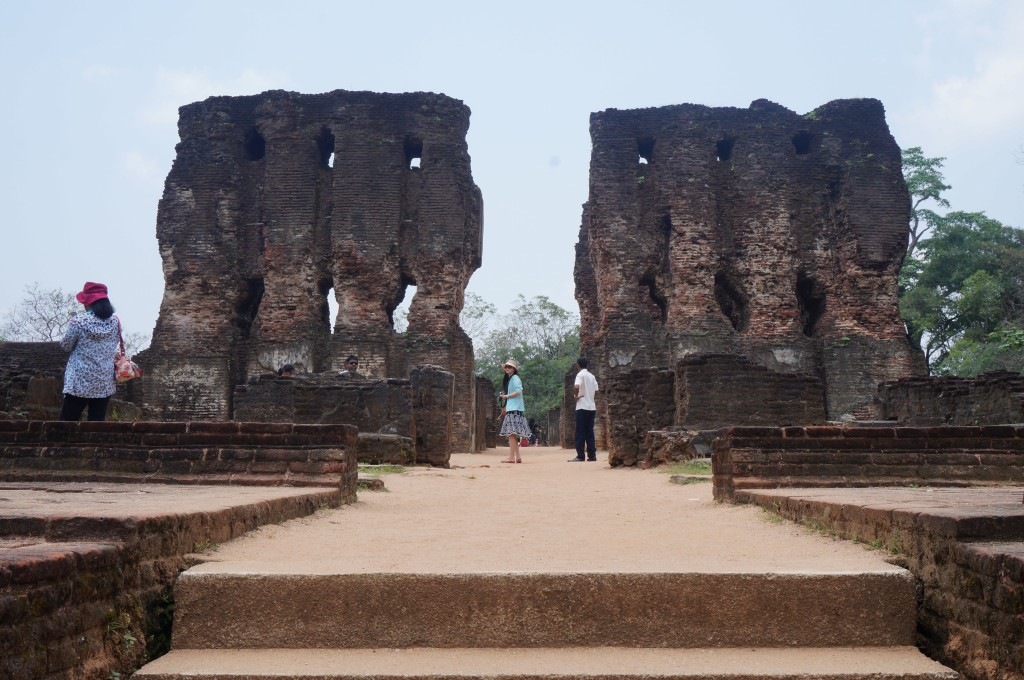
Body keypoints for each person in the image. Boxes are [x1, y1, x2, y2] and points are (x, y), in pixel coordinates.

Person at [59, 282, 121, 422]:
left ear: (88, 302)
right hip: (104, 380)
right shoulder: (115, 322)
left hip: (79, 380)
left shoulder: (78, 321)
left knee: (67, 422)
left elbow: (66, 345)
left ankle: (63, 444)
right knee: (97, 424)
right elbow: (114, 344)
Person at [498, 358, 531, 463]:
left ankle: (511, 458)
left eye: (510, 367)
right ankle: (518, 456)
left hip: (514, 408)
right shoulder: (510, 379)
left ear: (514, 369)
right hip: (514, 408)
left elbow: (519, 391)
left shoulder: (515, 378)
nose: (507, 368)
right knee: (513, 434)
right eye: (506, 367)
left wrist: (506, 396)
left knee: (511, 434)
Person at [569, 356, 599, 462]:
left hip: (582, 406)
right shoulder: (591, 376)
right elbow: (597, 391)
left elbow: (576, 386)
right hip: (591, 407)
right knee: (589, 431)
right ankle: (592, 455)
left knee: (580, 432)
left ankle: (580, 455)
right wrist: (590, 396)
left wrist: (576, 396)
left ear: (578, 365)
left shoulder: (580, 375)